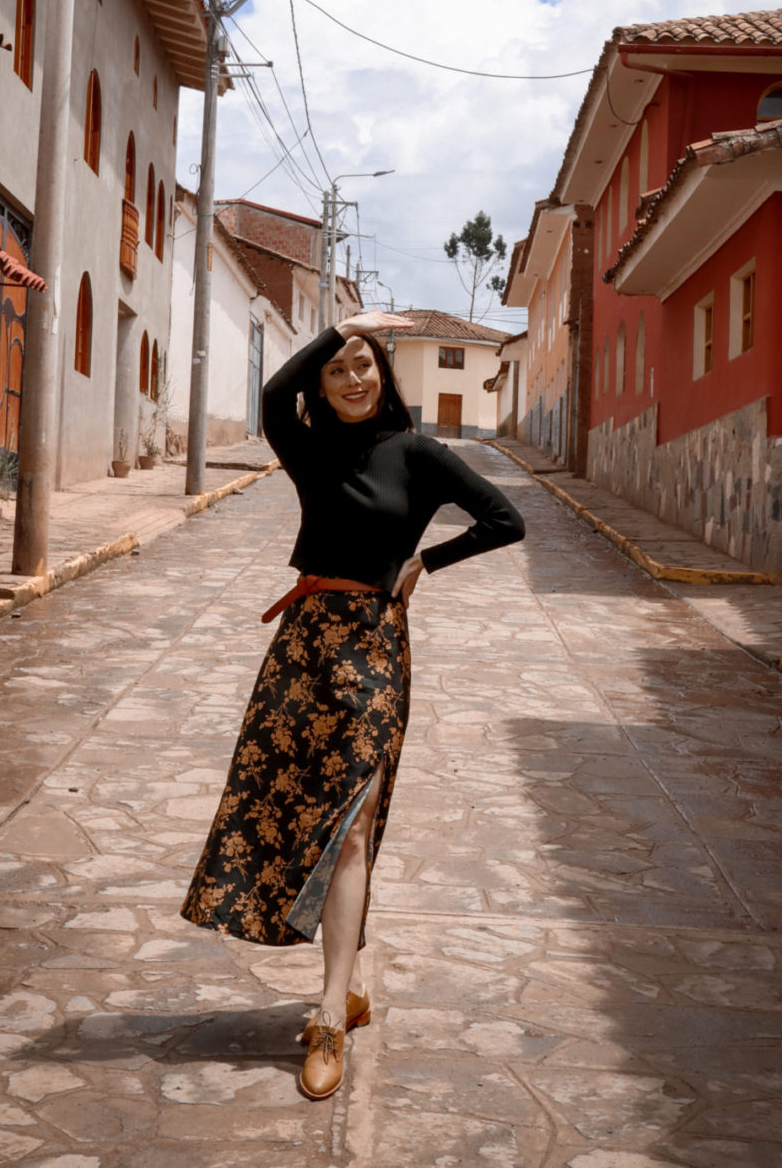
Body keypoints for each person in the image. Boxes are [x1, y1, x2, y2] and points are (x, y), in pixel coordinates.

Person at [180, 310, 525, 1099]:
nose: (353, 379)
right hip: (302, 647)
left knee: (353, 824)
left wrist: (428, 561)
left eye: (364, 365)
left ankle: (330, 1013)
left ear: (385, 374)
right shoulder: (311, 449)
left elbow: (506, 519)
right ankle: (351, 979)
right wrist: (340, 328)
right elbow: (273, 397)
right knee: (289, 809)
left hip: (373, 648)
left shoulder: (419, 453)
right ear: (324, 384)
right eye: (338, 370)